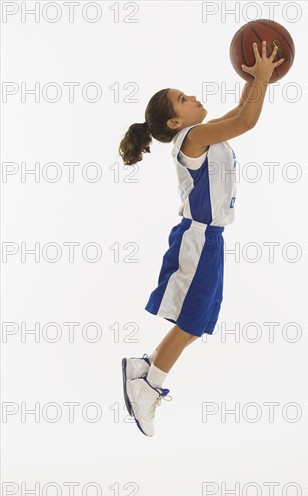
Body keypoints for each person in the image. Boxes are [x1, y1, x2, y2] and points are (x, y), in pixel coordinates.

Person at [118, 42, 284, 437]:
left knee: (201, 321)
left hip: (211, 239)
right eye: (183, 99)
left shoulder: (201, 133)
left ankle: (145, 369)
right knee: (191, 323)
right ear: (175, 122)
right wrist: (260, 78)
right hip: (197, 238)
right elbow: (246, 123)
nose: (192, 97)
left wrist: (254, 77)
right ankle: (146, 386)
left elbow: (240, 114)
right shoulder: (192, 139)